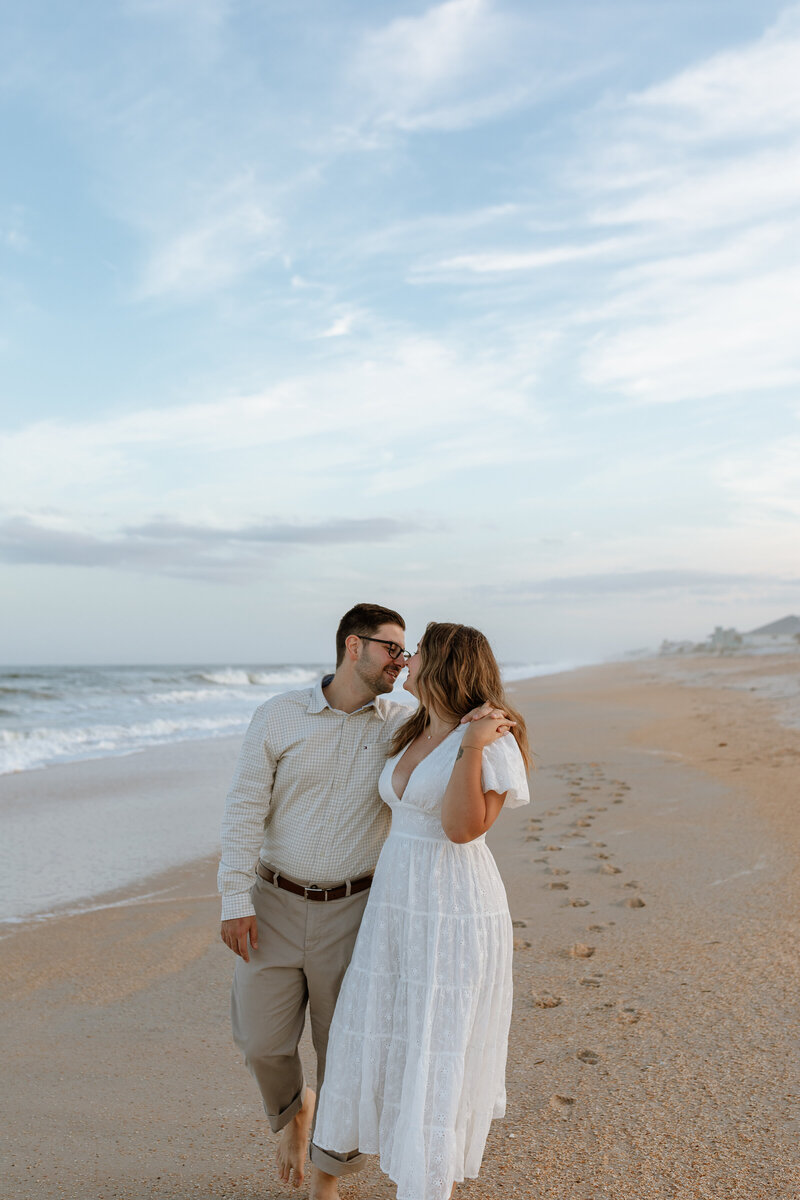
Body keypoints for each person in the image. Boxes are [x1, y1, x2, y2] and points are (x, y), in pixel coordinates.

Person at [218, 604, 500, 1199]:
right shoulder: (277, 715)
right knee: (260, 1042)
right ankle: (294, 1112)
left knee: (344, 1049)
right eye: (392, 650)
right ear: (354, 646)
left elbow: (460, 715)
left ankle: (329, 1177)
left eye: (407, 652)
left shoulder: (405, 722)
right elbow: (245, 809)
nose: (401, 661)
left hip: (359, 907)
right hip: (273, 899)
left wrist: (487, 721)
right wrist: (232, 898)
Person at [312, 621, 531, 1200]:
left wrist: (472, 746)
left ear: (443, 666)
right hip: (397, 902)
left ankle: (427, 1188)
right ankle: (332, 1178)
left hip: (454, 904)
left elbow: (463, 829)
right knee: (381, 1025)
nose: (405, 662)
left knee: (436, 1037)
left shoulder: (490, 739)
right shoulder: (412, 728)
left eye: (417, 655)